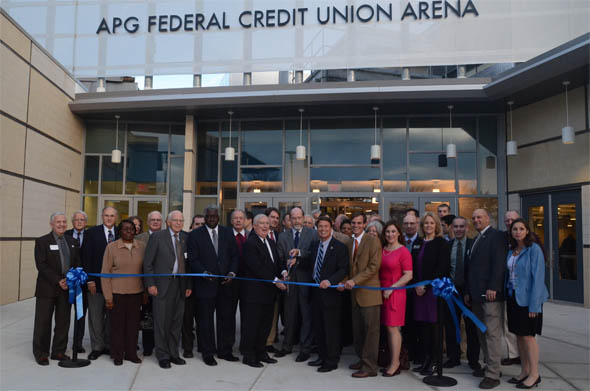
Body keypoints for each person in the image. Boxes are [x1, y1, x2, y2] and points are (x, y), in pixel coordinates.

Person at [188, 205, 239, 365]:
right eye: (209, 216)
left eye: (214, 216)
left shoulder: (227, 232)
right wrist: (202, 272)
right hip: (205, 285)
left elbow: (235, 256)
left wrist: (232, 273)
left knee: (226, 319)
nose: (212, 219)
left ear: (219, 217)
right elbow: (193, 259)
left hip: (225, 284)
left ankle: (225, 351)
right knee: (205, 321)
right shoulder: (196, 235)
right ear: (205, 217)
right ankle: (207, 353)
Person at [465, 209, 508, 389]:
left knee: (491, 334)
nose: (476, 220)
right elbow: (472, 269)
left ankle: (493, 375)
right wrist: (468, 292)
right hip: (475, 295)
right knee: (481, 332)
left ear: (487, 218)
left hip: (490, 295)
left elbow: (499, 263)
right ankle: (489, 366)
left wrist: (494, 286)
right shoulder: (476, 239)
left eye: (479, 217)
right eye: (474, 218)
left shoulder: (496, 236)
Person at [143, 211, 192, 369]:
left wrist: (189, 285)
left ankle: (173, 353)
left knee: (176, 322)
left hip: (180, 286)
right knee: (161, 322)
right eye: (175, 220)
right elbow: (148, 263)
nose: (178, 223)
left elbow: (188, 265)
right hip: (162, 286)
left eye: (181, 220)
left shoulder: (185, 238)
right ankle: (162, 355)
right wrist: (150, 284)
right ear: (168, 222)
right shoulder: (157, 237)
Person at [301, 216, 349, 373]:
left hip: (331, 295)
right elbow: (310, 264)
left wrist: (330, 280)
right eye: (320, 226)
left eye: (326, 227)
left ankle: (331, 360)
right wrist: (297, 258)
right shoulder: (315, 245)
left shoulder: (340, 247)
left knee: (331, 329)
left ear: (331, 228)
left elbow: (343, 269)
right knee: (319, 328)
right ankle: (321, 356)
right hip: (316, 293)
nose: (323, 229)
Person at [505, 218, 548, 389]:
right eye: (515, 229)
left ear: (527, 231)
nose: (518, 232)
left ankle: (535, 374)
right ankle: (524, 370)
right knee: (519, 337)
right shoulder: (512, 250)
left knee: (529, 338)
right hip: (514, 298)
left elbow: (538, 278)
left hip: (529, 300)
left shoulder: (534, 249)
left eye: (521, 229)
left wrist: (534, 306)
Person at [33, 212, 81, 365]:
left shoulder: (72, 241)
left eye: (64, 222)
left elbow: (76, 263)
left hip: (66, 288)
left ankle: (58, 351)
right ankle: (41, 353)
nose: (61, 224)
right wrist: (58, 280)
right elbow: (41, 265)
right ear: (51, 224)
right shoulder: (42, 241)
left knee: (63, 322)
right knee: (43, 322)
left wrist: (70, 279)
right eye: (58, 222)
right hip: (47, 288)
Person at [239, 214, 287, 367]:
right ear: (254, 225)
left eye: (267, 223)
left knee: (265, 326)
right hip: (254, 295)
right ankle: (249, 355)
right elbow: (256, 267)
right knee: (252, 326)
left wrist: (284, 272)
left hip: (268, 294)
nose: (265, 226)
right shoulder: (250, 243)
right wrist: (275, 281)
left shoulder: (271, 242)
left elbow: (277, 263)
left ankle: (261, 352)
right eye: (261, 223)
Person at [410, 212, 450, 376]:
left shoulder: (441, 243)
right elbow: (412, 266)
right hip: (418, 292)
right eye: (426, 223)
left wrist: (425, 286)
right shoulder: (418, 242)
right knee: (422, 327)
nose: (428, 226)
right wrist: (416, 286)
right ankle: (426, 359)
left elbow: (441, 268)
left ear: (437, 226)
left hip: (432, 292)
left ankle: (434, 361)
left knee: (433, 327)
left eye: (431, 223)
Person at [276, 207, 319, 361]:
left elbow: (314, 255)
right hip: (289, 283)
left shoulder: (313, 234)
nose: (296, 221)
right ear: (289, 219)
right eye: (293, 218)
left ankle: (305, 349)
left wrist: (299, 256)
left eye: (299, 217)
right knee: (289, 316)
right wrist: (283, 271)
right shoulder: (283, 236)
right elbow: (279, 259)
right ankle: (287, 346)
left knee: (306, 317)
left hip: (306, 282)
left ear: (303, 217)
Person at [100, 219, 145, 366]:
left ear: (135, 231)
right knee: (117, 326)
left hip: (136, 293)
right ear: (120, 231)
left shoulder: (142, 247)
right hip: (117, 294)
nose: (129, 232)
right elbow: (105, 273)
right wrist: (108, 297)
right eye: (125, 229)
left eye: (131, 229)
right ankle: (117, 355)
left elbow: (145, 271)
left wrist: (145, 292)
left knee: (133, 326)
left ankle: (131, 354)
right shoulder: (111, 248)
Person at [344, 213, 382, 378]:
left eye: (359, 223)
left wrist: (354, 280)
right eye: (353, 223)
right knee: (358, 332)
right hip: (354, 295)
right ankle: (362, 360)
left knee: (371, 333)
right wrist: (344, 281)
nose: (356, 226)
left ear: (365, 224)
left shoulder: (373, 241)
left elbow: (374, 267)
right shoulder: (349, 242)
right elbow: (348, 267)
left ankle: (370, 367)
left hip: (369, 295)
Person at [443, 216, 481, 370]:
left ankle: (473, 360)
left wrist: (470, 292)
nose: (458, 229)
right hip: (451, 292)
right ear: (452, 228)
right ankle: (453, 357)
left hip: (469, 293)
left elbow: (476, 271)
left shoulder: (474, 245)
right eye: (455, 227)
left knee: (472, 328)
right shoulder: (448, 245)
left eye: (461, 226)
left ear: (467, 228)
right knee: (451, 326)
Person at [82, 206, 119, 360]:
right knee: (96, 317)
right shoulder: (91, 233)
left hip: (115, 284)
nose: (109, 218)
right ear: (102, 216)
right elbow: (86, 257)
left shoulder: (122, 233)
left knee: (112, 317)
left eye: (112, 215)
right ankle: (97, 347)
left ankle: (110, 345)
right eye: (106, 215)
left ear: (116, 217)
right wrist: (89, 279)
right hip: (95, 284)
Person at [379, 221, 413, 377]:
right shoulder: (383, 249)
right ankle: (390, 360)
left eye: (393, 232)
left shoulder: (403, 251)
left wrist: (392, 288)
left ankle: (395, 363)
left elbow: (408, 274)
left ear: (399, 233)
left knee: (394, 328)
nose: (390, 235)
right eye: (387, 232)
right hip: (381, 291)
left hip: (395, 293)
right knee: (387, 327)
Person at [136, 210, 162, 357]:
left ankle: (159, 344)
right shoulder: (139, 238)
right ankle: (147, 346)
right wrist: (145, 287)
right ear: (148, 221)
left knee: (161, 317)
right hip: (145, 285)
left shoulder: (167, 236)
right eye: (153, 219)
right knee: (147, 317)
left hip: (163, 285)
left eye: (158, 219)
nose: (155, 222)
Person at [65, 210, 88, 354]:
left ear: (85, 222)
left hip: (83, 281)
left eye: (82, 219)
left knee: (80, 314)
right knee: (64, 315)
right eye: (76, 219)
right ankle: (61, 343)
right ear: (72, 221)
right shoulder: (65, 235)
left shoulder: (91, 236)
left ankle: (77, 344)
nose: (79, 222)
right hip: (66, 281)